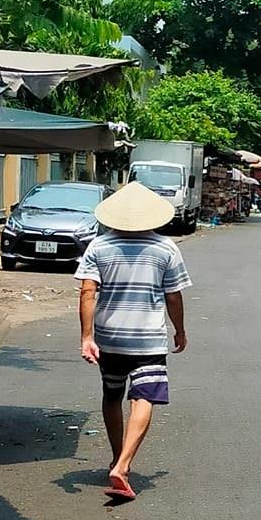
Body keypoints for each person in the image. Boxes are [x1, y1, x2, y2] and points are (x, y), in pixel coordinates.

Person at [76, 181, 190, 503]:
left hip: (109, 338)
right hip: (147, 340)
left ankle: (116, 457)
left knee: (112, 395)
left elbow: (87, 292)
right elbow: (173, 296)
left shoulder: (98, 247)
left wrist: (87, 337)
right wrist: (179, 330)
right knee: (144, 397)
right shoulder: (166, 248)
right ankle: (124, 465)